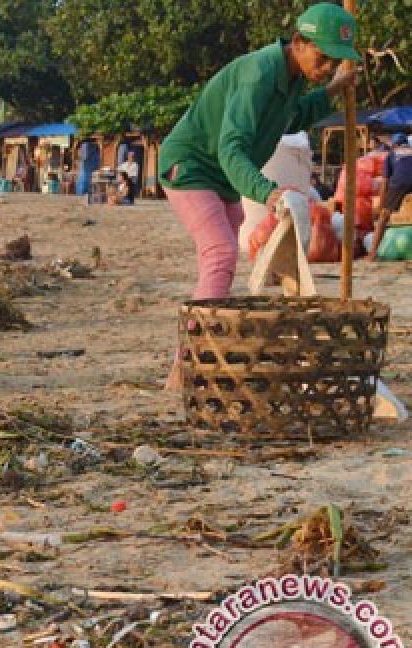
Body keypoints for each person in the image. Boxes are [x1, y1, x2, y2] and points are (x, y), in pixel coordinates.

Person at [159, 2, 359, 387]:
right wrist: (266, 193)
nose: (327, 68)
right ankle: (186, 367)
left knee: (222, 260)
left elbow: (293, 117)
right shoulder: (259, 75)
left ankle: (202, 351)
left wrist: (331, 90)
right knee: (219, 253)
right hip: (192, 166)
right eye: (323, 59)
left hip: (221, 178)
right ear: (299, 42)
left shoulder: (294, 77)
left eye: (335, 63)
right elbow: (230, 148)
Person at [369, 132, 412, 261]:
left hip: (399, 183)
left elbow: (385, 182)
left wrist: (381, 206)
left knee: (384, 216)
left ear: (394, 144)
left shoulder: (391, 155)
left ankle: (372, 253)